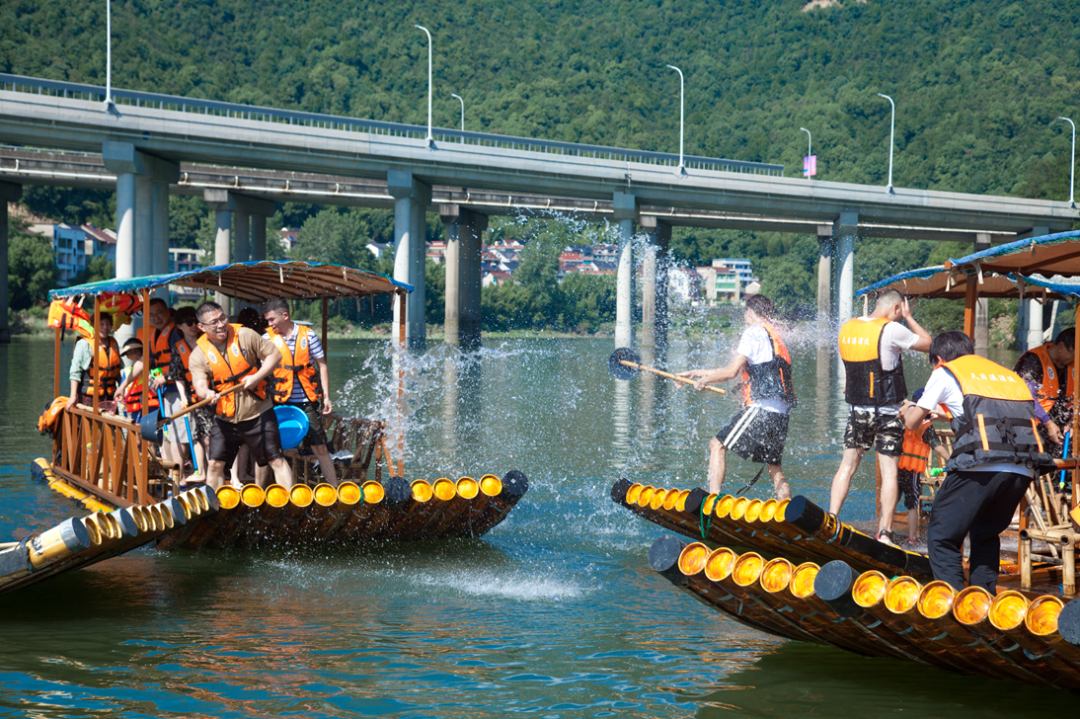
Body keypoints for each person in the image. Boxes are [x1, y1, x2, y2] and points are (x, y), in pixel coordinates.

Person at [901, 330, 1058, 592]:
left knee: (942, 537)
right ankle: (982, 603)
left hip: (980, 468)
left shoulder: (945, 371)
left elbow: (912, 422)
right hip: (1022, 468)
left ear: (939, 358)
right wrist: (944, 415)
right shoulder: (1004, 374)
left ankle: (950, 605)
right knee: (985, 535)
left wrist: (906, 411)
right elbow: (989, 417)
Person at [829, 289, 932, 547]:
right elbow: (929, 344)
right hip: (887, 413)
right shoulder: (892, 329)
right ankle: (885, 534)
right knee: (889, 474)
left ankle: (831, 520)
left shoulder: (848, 327)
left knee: (847, 467)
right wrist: (909, 318)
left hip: (857, 411)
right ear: (897, 308)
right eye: (901, 312)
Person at [676, 294, 795, 500]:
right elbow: (735, 369)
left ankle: (713, 502)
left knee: (717, 445)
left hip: (761, 409)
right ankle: (787, 511)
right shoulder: (772, 334)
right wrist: (697, 373)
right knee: (774, 468)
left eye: (745, 312)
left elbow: (731, 372)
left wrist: (706, 381)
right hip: (781, 412)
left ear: (750, 312)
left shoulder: (752, 333)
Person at [187, 301, 294, 490]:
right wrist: (208, 393)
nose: (221, 324)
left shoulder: (244, 335)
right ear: (201, 327)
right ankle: (216, 509)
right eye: (214, 322)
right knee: (215, 465)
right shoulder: (198, 354)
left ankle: (291, 506)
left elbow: (274, 355)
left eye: (223, 318)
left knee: (276, 459)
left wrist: (257, 377)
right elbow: (200, 385)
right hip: (226, 418)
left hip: (259, 411)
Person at [262, 298, 338, 486]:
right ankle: (262, 490)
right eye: (267, 321)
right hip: (278, 401)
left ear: (285, 315)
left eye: (272, 320)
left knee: (320, 447)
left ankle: (336, 489)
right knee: (269, 448)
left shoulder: (308, 335)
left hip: (306, 401)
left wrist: (327, 397)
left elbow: (323, 366)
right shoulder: (266, 339)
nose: (269, 324)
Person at [895, 388, 951, 548]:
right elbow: (938, 447)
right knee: (912, 503)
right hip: (911, 470)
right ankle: (912, 537)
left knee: (893, 497)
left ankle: (885, 529)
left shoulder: (904, 420)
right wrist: (952, 460)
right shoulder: (925, 426)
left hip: (897, 466)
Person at [168, 306, 213, 485]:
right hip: (192, 398)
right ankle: (201, 472)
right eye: (189, 323)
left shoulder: (208, 342)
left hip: (212, 395)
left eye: (196, 322)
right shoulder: (178, 348)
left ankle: (212, 473)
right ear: (179, 326)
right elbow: (178, 375)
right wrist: (183, 397)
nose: (194, 325)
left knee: (210, 437)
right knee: (196, 436)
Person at [139, 298, 184, 468]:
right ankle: (172, 470)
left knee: (177, 433)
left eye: (159, 313)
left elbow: (181, 359)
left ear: (167, 312)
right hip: (166, 392)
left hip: (178, 390)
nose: (156, 318)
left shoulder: (174, 333)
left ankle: (178, 475)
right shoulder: (156, 334)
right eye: (151, 315)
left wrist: (165, 377)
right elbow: (148, 360)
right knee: (167, 433)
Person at [1014, 327, 1075, 453]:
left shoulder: (1074, 365)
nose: (1074, 359)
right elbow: (1026, 397)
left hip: (1063, 430)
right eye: (1073, 353)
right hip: (1034, 426)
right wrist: (1048, 423)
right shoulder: (1032, 360)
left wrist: (1074, 422)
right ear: (1061, 346)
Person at [66, 311, 121, 410]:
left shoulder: (113, 343)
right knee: (89, 425)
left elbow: (116, 371)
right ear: (94, 326)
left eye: (108, 324)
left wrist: (122, 388)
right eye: (101, 324)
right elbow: (75, 371)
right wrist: (73, 396)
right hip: (89, 397)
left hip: (109, 396)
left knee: (109, 425)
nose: (105, 327)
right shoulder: (84, 344)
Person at [113, 338, 159, 424]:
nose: (134, 354)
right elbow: (123, 390)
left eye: (136, 351)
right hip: (135, 410)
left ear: (142, 351)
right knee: (138, 434)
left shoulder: (153, 367)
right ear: (127, 356)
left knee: (154, 433)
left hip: (153, 407)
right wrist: (121, 397)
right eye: (130, 352)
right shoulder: (126, 372)